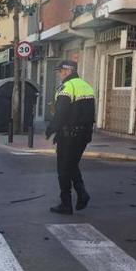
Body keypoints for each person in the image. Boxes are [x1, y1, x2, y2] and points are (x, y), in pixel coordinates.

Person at [45, 60, 96, 215]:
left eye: (60, 71)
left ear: (67, 71)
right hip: (84, 134)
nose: (59, 74)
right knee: (72, 164)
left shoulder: (67, 87)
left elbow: (61, 112)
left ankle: (66, 204)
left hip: (69, 135)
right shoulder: (86, 86)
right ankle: (81, 194)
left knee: (63, 169)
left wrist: (52, 129)